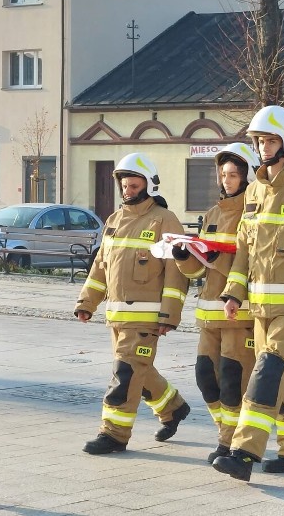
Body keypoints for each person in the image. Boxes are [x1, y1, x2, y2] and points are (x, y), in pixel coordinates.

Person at [212, 105, 284, 482]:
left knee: (265, 377)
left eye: (271, 140)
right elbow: (244, 249)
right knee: (282, 381)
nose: (264, 147)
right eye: (260, 141)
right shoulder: (255, 191)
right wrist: (233, 292)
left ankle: (244, 454)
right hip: (260, 307)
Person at [75, 152, 191, 455]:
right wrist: (87, 302)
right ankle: (173, 408)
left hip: (146, 319)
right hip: (116, 317)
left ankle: (113, 434)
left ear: (149, 185)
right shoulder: (113, 221)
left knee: (124, 373)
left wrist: (169, 315)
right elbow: (100, 267)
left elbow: (177, 274)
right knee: (139, 369)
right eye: (124, 186)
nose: (128, 191)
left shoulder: (165, 220)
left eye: (134, 185)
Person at [172, 143, 260, 463]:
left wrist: (215, 255)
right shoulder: (211, 214)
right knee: (205, 377)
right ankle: (228, 433)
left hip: (240, 311)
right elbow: (200, 268)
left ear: (248, 176)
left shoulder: (256, 213)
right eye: (223, 175)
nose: (227, 180)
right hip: (209, 312)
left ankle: (231, 443)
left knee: (234, 381)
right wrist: (186, 256)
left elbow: (253, 261)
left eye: (234, 175)